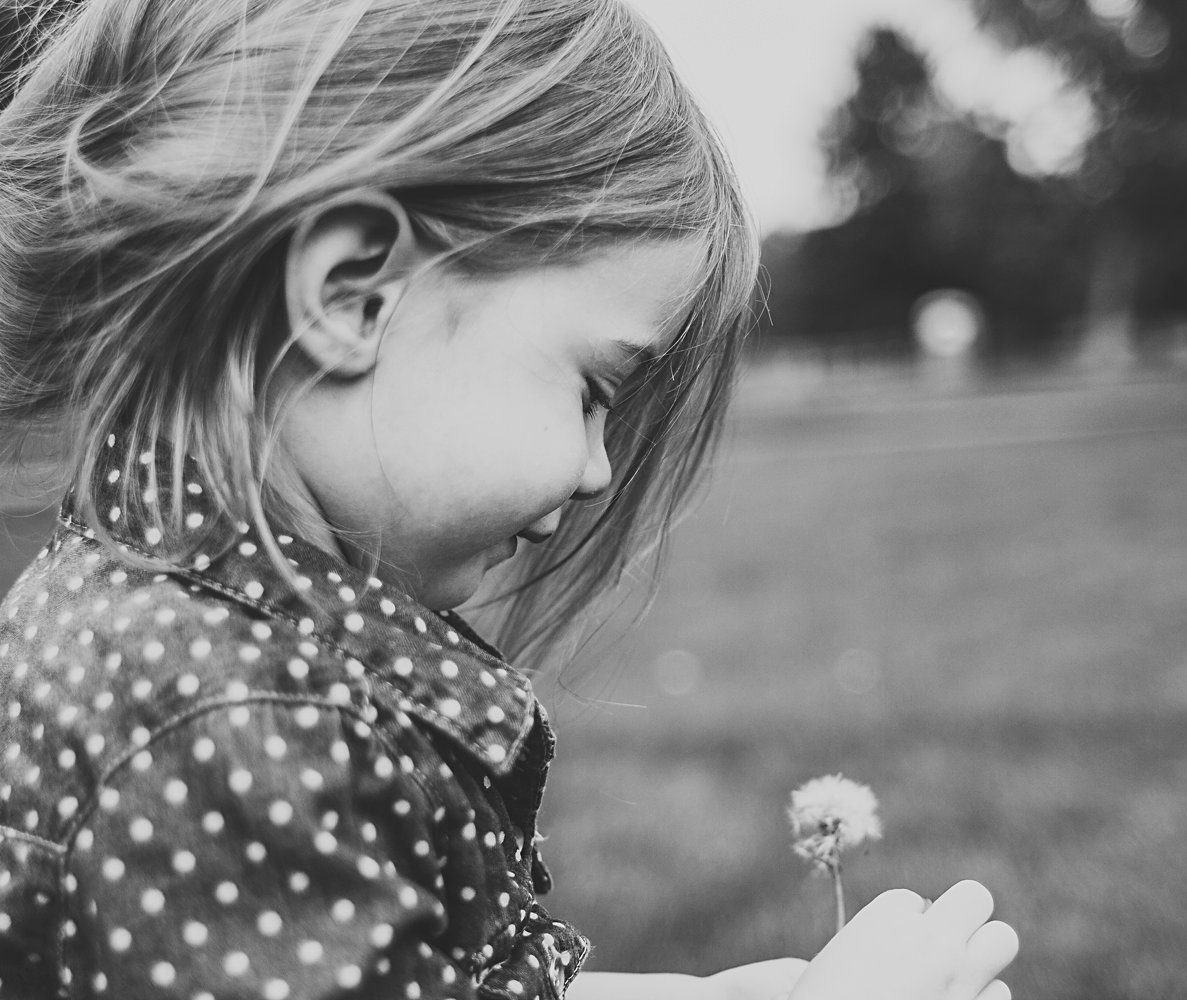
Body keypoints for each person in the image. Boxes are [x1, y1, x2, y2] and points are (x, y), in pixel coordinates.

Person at [0, 1, 1020, 998]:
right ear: (354, 293)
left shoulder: (166, 630)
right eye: (593, 389)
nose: (597, 471)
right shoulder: (229, 717)